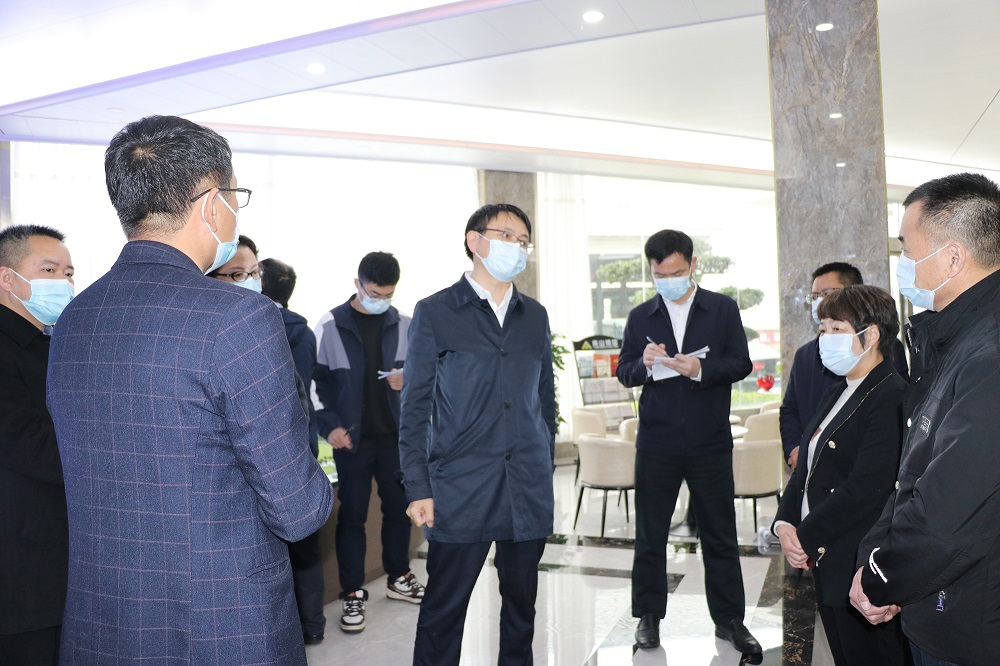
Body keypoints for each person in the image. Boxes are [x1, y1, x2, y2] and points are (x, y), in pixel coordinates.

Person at [46, 115, 334, 665]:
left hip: (103, 619)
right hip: (217, 623)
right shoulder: (238, 317)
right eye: (234, 197)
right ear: (210, 202)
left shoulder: (78, 316)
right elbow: (297, 508)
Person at [849, 173, 1000, 666]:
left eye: (906, 248)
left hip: (969, 623)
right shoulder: (951, 337)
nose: (902, 263)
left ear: (953, 257)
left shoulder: (988, 354)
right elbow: (913, 472)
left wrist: (881, 578)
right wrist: (877, 554)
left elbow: (949, 514)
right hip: (937, 602)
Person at [399, 203, 555, 665]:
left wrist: (543, 464)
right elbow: (415, 407)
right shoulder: (436, 312)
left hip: (525, 485)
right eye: (506, 235)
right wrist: (418, 486)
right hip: (461, 486)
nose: (516, 246)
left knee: (522, 608)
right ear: (474, 240)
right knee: (444, 610)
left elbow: (544, 400)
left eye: (523, 240)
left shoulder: (535, 316)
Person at [616, 229, 759, 655]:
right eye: (660, 274)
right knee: (650, 536)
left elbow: (741, 363)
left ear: (693, 265)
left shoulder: (722, 308)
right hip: (656, 443)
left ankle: (730, 619)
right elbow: (625, 372)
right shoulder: (640, 316)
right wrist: (643, 366)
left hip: (709, 441)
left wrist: (701, 370)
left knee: (719, 534)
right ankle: (647, 617)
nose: (668, 280)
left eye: (676, 272)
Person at [772, 285, 908, 666]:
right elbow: (807, 464)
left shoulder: (889, 394)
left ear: (871, 335)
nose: (825, 338)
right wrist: (785, 522)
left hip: (857, 561)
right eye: (823, 329)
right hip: (827, 559)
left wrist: (805, 535)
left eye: (836, 329)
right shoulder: (838, 390)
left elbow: (866, 488)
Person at [211, 248, 327, 646]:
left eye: (253, 273)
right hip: (234, 498)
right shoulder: (214, 335)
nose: (249, 282)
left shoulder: (282, 329)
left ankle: (311, 625)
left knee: (301, 553)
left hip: (286, 469)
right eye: (236, 274)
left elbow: (295, 402)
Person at [313, 251, 424, 633]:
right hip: (351, 442)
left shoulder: (406, 324)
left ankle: (398, 576)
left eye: (388, 294)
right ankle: (352, 593)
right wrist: (329, 427)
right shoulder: (330, 325)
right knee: (353, 518)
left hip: (396, 440)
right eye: (375, 293)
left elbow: (429, 376)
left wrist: (408, 378)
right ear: (357, 285)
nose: (382, 300)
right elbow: (313, 383)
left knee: (398, 511)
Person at [0, 225, 74, 665]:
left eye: (68, 272)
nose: (63, 281)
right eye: (49, 270)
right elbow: (29, 444)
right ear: (7, 278)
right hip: (21, 568)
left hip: (57, 557)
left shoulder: (53, 343)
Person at [780, 262, 909, 469]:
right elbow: (790, 409)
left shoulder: (886, 352)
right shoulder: (806, 355)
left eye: (826, 293)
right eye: (814, 296)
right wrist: (797, 449)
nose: (820, 300)